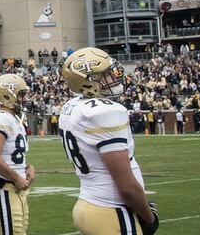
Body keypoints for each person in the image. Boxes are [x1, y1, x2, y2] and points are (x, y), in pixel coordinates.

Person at [59, 48, 159, 235]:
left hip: (88, 204)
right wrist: (149, 217)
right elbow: (126, 186)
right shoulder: (107, 111)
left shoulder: (72, 106)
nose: (113, 77)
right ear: (89, 81)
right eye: (106, 74)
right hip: (111, 210)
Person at [0, 74, 34, 235]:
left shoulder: (14, 119)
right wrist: (16, 177)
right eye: (21, 94)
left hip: (15, 189)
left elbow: (12, 155)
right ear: (8, 94)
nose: (25, 98)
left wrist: (27, 168)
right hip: (4, 187)